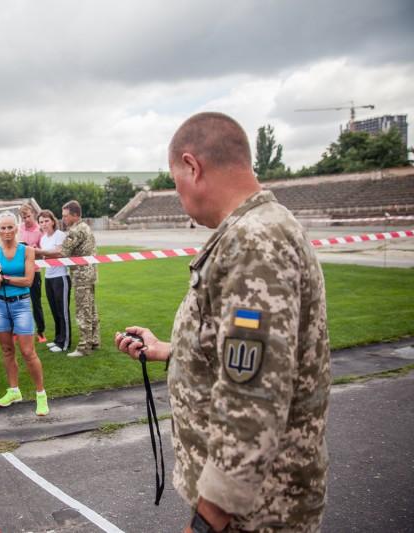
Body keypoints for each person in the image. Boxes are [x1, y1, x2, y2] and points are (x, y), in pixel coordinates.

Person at [115, 112, 330, 532]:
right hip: (249, 505)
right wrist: (171, 352)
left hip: (254, 513)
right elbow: (255, 354)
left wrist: (208, 520)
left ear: (193, 167)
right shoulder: (255, 229)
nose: (179, 197)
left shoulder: (254, 240)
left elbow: (254, 397)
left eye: (177, 182)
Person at [0, 212, 49, 416]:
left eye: (10, 227)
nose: (6, 231)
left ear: (17, 228)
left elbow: (28, 281)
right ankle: (14, 391)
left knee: (28, 352)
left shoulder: (28, 251)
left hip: (21, 304)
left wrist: (5, 278)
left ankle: (41, 395)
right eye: (3, 228)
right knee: (7, 350)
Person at [61, 200, 100, 357]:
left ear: (75, 215)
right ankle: (94, 341)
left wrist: (35, 252)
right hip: (89, 274)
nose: (63, 218)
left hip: (81, 275)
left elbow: (63, 252)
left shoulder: (76, 230)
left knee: (83, 311)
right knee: (90, 308)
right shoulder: (84, 227)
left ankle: (84, 347)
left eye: (65, 216)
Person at [33, 209, 71, 353]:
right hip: (48, 277)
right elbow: (46, 257)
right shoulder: (43, 239)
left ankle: (65, 343)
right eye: (41, 222)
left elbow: (59, 252)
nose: (44, 224)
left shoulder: (60, 235)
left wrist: (39, 252)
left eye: (46, 221)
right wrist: (35, 251)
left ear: (53, 221)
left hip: (60, 277)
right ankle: (57, 339)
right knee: (55, 311)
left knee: (62, 312)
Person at [17, 203, 47, 343]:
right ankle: (18, 331)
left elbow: (44, 253)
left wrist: (35, 250)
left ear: (33, 214)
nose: (26, 219)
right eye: (24, 217)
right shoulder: (19, 229)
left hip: (34, 271)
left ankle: (40, 332)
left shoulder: (40, 230)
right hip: (20, 271)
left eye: (28, 216)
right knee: (18, 302)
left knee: (36, 303)